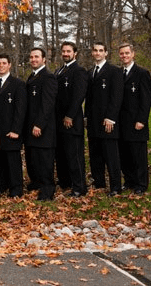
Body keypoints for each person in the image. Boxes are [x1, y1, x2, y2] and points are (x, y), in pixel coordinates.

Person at [86, 41, 124, 196]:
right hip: (93, 121)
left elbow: (117, 97)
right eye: (95, 50)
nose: (97, 53)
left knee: (111, 155)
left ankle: (115, 187)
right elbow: (88, 98)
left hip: (108, 121)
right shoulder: (90, 72)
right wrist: (86, 116)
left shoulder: (114, 71)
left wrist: (111, 117)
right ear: (92, 53)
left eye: (101, 50)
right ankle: (99, 182)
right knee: (95, 154)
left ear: (106, 53)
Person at [0, 54, 26, 198]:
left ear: (9, 65)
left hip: (11, 129)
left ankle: (16, 189)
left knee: (12, 160)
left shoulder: (18, 84)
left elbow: (20, 110)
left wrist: (16, 130)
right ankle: (1, 187)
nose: (1, 66)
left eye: (4, 63)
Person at [54, 41, 89, 197]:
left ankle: (79, 187)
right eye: (63, 51)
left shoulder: (79, 71)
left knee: (74, 155)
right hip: (59, 120)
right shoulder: (60, 70)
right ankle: (66, 182)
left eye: (68, 51)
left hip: (72, 121)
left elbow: (78, 96)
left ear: (75, 53)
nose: (65, 54)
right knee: (63, 154)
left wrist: (70, 115)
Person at [24, 47, 58, 201]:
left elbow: (48, 104)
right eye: (31, 57)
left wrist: (39, 124)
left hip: (43, 127)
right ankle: (36, 183)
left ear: (44, 59)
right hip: (30, 125)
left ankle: (47, 190)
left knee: (44, 159)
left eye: (36, 57)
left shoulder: (48, 77)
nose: (33, 59)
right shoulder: (32, 77)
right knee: (34, 158)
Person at [118, 43, 151, 194]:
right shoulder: (118, 73)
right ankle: (129, 181)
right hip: (121, 121)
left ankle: (141, 184)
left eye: (127, 53)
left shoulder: (142, 73)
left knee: (138, 155)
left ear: (133, 54)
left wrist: (142, 120)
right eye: (121, 54)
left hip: (136, 121)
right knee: (125, 154)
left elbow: (146, 99)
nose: (124, 56)